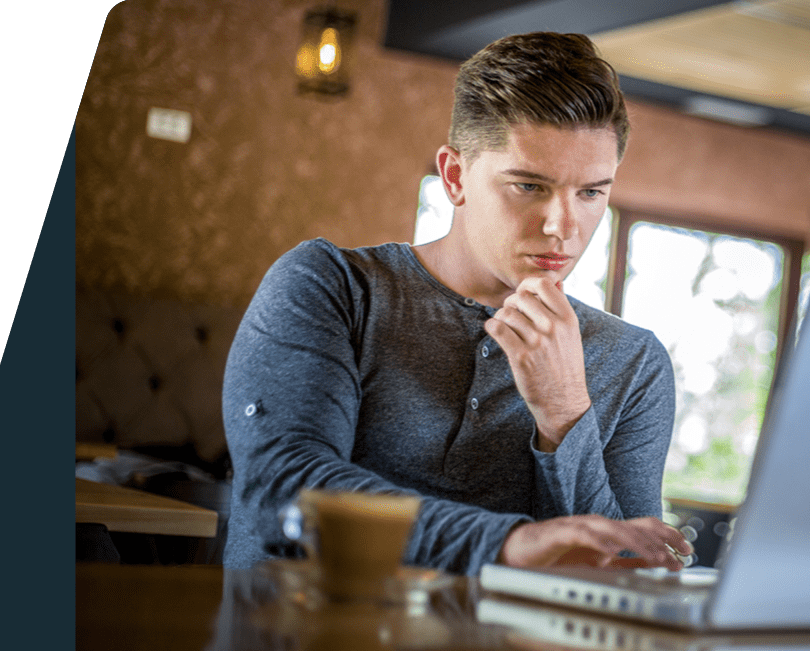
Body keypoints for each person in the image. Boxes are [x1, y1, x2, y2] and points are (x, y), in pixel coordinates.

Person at [222, 32, 691, 575]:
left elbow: (633, 569)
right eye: (529, 186)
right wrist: (504, 545)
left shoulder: (635, 363)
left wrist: (566, 416)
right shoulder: (330, 287)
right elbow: (285, 488)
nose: (563, 226)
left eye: (591, 192)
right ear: (454, 175)